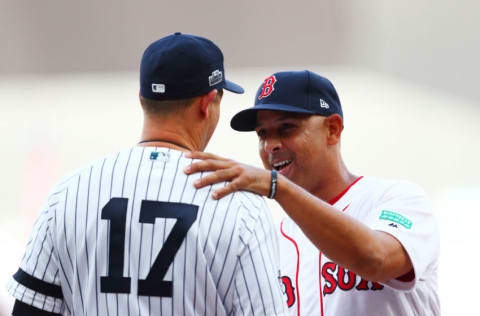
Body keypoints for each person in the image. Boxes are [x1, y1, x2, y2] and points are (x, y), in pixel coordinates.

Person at [7, 33, 288, 316]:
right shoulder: (240, 205)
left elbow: (30, 311)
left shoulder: (67, 193)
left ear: (142, 99)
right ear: (208, 102)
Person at [184, 70, 440, 315]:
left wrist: (277, 186)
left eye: (286, 128)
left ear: (333, 129)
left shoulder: (397, 200)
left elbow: (377, 260)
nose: (270, 145)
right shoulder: (269, 241)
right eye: (263, 133)